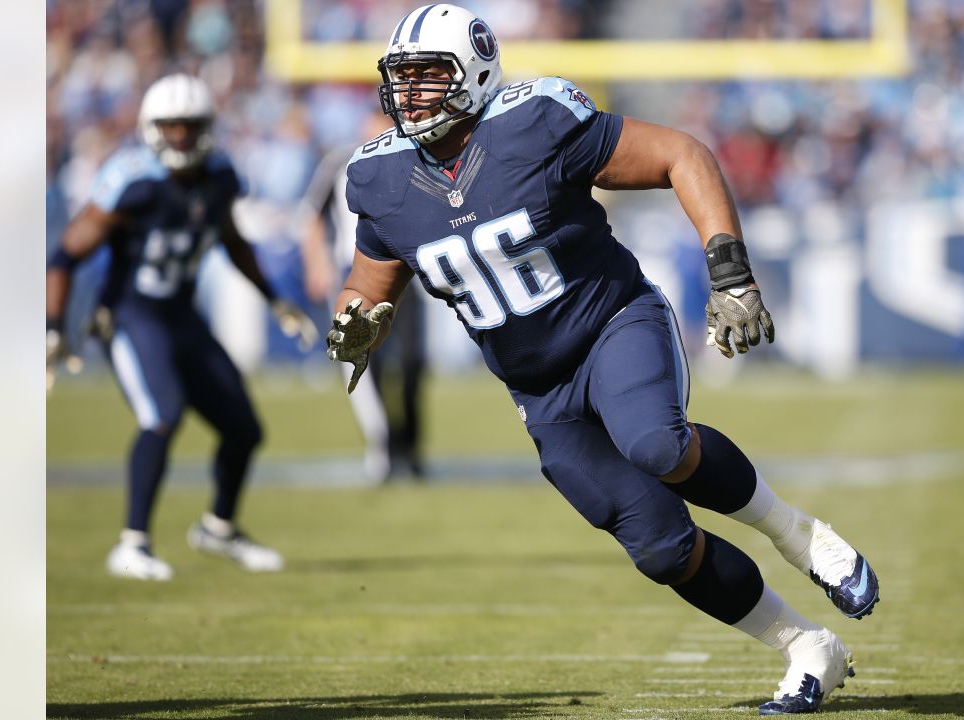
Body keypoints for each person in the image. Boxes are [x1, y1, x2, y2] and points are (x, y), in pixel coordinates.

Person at [325, 5, 880, 714]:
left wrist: (730, 274)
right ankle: (807, 647)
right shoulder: (381, 180)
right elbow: (368, 288)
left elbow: (683, 155)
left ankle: (797, 534)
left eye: (430, 75)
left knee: (654, 442)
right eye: (401, 78)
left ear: (476, 72)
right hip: (537, 389)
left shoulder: (534, 125)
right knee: (660, 548)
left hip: (612, 324)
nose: (411, 93)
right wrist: (353, 324)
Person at [46, 73, 319, 581]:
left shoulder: (219, 175)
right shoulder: (133, 178)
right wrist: (54, 327)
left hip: (181, 315)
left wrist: (276, 301)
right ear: (152, 129)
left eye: (190, 127)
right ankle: (132, 543)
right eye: (170, 127)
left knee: (244, 429)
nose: (180, 137)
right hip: (130, 313)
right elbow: (64, 255)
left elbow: (233, 241)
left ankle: (219, 529)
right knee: (162, 415)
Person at [299, 115, 427, 483]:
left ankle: (411, 446)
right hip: (356, 274)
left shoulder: (415, 154)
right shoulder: (343, 159)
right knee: (361, 358)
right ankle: (380, 446)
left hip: (407, 273)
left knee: (413, 363)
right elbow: (311, 215)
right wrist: (317, 264)